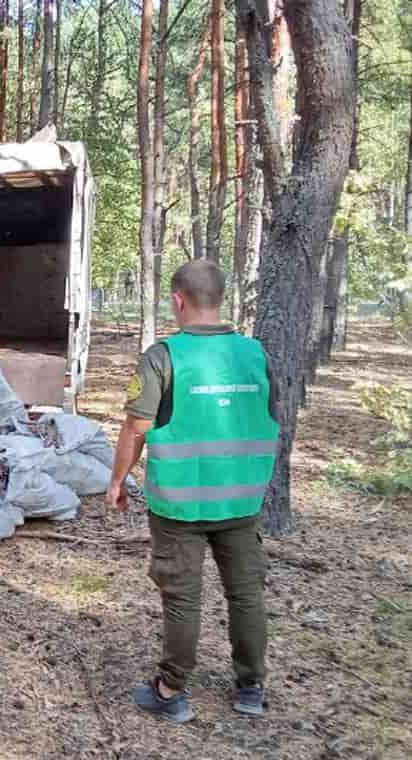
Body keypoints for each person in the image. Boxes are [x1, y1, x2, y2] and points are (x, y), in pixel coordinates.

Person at [106, 259, 279, 723]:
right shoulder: (256, 354)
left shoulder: (163, 356)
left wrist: (119, 480)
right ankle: (250, 688)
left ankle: (171, 690)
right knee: (246, 594)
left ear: (178, 301)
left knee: (182, 597)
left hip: (179, 504)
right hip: (241, 501)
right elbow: (270, 417)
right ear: (219, 299)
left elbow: (136, 427)